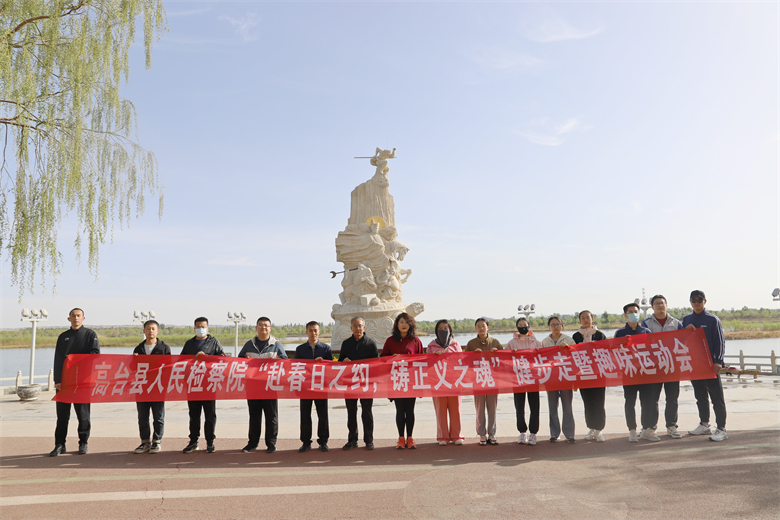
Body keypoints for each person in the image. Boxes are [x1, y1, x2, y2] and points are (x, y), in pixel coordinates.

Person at [49, 308, 100, 457]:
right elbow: (58, 359)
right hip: (64, 382)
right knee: (62, 416)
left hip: (82, 381)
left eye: (78, 316)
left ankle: (83, 443)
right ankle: (60, 445)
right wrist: (57, 380)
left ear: (83, 318)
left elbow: (95, 354)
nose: (76, 318)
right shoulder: (63, 336)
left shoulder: (90, 335)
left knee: (83, 416)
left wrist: (75, 359)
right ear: (69, 319)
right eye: (73, 316)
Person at [238, 317, 288, 454]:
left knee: (271, 416)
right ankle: (252, 443)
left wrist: (277, 361)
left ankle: (271, 443)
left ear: (270, 328)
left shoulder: (276, 344)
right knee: (254, 416)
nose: (263, 327)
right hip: (253, 387)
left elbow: (286, 363)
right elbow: (238, 362)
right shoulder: (249, 344)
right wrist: (245, 361)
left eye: (266, 325)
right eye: (260, 325)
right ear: (256, 328)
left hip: (270, 386)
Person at [683, 290, 728, 442]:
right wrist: (685, 332)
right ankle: (704, 424)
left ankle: (721, 428)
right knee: (700, 397)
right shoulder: (686, 319)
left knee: (716, 398)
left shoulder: (712, 319)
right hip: (694, 365)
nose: (697, 303)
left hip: (710, 366)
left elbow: (720, 341)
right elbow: (681, 341)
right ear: (690, 302)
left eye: (699, 300)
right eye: (694, 300)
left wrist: (718, 361)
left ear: (705, 301)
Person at [642, 294, 684, 439]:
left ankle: (671, 426)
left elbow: (684, 341)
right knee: (652, 399)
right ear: (652, 307)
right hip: (654, 367)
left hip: (672, 366)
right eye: (657, 303)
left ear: (666, 305)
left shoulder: (676, 323)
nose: (660, 305)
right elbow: (642, 343)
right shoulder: (646, 323)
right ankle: (651, 428)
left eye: (662, 303)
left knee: (672, 398)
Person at [181, 317, 225, 454]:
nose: (201, 329)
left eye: (203, 326)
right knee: (194, 415)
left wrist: (207, 357)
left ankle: (210, 441)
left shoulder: (214, 343)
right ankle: (193, 441)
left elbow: (222, 360)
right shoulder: (189, 344)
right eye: (198, 326)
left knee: (210, 415)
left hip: (208, 384)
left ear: (207, 328)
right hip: (193, 384)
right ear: (194, 328)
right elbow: (181, 361)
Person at [381, 312, 425, 449]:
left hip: (411, 380)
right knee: (400, 410)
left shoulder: (416, 341)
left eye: (406, 322)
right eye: (401, 322)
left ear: (410, 324)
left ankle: (410, 438)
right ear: (397, 324)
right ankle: (401, 438)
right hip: (396, 380)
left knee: (410, 410)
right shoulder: (390, 341)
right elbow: (383, 358)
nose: (404, 325)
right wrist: (391, 358)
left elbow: (422, 360)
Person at [614, 303, 655, 442]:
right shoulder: (620, 333)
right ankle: (632, 430)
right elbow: (614, 352)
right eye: (630, 312)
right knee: (630, 401)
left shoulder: (645, 331)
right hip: (629, 373)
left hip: (645, 372)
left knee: (647, 402)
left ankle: (646, 429)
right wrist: (623, 343)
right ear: (625, 315)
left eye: (635, 311)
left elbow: (652, 351)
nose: (633, 314)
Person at [339, 317, 379, 450]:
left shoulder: (371, 344)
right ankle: (352, 440)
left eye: (360, 326)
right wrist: (344, 361)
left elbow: (376, 364)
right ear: (351, 328)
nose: (358, 328)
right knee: (351, 412)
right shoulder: (346, 344)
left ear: (364, 327)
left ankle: (369, 440)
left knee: (367, 412)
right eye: (355, 326)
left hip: (366, 383)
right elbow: (339, 362)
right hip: (350, 383)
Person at [132, 320, 171, 454]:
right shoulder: (138, 349)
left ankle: (156, 442)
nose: (151, 331)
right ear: (144, 331)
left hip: (158, 387)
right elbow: (133, 368)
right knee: (142, 416)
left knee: (158, 416)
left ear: (157, 331)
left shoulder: (164, 348)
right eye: (148, 329)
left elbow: (169, 368)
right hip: (142, 387)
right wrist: (133, 359)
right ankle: (145, 442)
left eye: (153, 329)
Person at [295, 321, 332, 453]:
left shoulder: (326, 348)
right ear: (306, 332)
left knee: (323, 415)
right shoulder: (300, 349)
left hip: (320, 386)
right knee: (305, 415)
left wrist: (323, 363)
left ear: (319, 331)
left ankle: (323, 441)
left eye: (315, 330)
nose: (313, 333)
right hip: (305, 387)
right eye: (310, 330)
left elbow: (331, 367)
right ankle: (306, 442)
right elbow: (296, 367)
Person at [465, 318, 503, 445]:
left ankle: (492, 434)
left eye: (483, 326)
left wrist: (496, 353)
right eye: (479, 326)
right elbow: (464, 361)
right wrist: (472, 355)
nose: (481, 328)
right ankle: (482, 434)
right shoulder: (471, 343)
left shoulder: (495, 342)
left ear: (488, 327)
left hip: (492, 380)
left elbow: (504, 359)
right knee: (480, 408)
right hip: (478, 380)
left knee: (492, 408)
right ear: (475, 328)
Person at [426, 319, 464, 446]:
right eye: (440, 329)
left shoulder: (455, 344)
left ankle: (456, 435)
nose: (443, 331)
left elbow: (461, 361)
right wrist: (433, 357)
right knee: (440, 410)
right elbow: (427, 364)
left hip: (454, 382)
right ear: (436, 331)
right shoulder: (431, 345)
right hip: (438, 383)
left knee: (455, 410)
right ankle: (442, 436)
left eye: (445, 328)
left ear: (450, 330)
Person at [506, 317, 543, 446]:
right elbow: (504, 358)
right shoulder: (512, 343)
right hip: (518, 378)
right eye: (520, 325)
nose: (523, 327)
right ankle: (522, 432)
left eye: (525, 325)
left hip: (533, 378)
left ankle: (533, 433)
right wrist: (511, 354)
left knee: (534, 406)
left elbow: (542, 358)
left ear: (529, 326)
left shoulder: (536, 342)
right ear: (517, 327)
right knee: (519, 406)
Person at [540, 316, 576, 443]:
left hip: (565, 377)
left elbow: (576, 357)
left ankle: (569, 434)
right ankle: (554, 433)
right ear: (549, 326)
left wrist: (569, 349)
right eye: (553, 324)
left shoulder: (569, 340)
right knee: (552, 407)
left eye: (558, 324)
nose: (555, 326)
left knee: (567, 406)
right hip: (550, 378)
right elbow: (540, 359)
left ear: (562, 326)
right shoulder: (544, 342)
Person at [573, 310, 607, 442]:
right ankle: (591, 428)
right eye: (583, 318)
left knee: (599, 402)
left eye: (588, 317)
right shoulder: (576, 336)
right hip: (583, 374)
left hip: (598, 374)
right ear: (580, 320)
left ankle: (599, 430)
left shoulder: (600, 335)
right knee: (588, 402)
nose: (586, 320)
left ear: (592, 319)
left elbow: (606, 352)